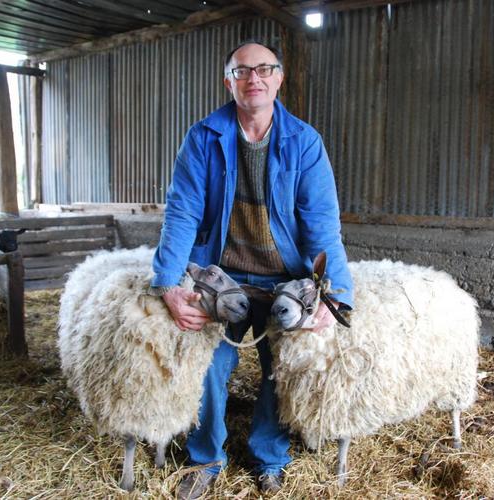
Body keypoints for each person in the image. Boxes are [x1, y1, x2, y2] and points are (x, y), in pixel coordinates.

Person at [150, 40, 354, 499]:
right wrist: (167, 283)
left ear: (279, 78)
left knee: (280, 367)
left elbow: (322, 223)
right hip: (222, 273)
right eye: (243, 71)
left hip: (283, 276)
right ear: (229, 82)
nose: (254, 78)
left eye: (265, 69)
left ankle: (270, 459)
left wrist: (335, 291)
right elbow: (181, 212)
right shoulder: (203, 137)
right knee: (206, 362)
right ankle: (205, 459)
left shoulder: (304, 142)